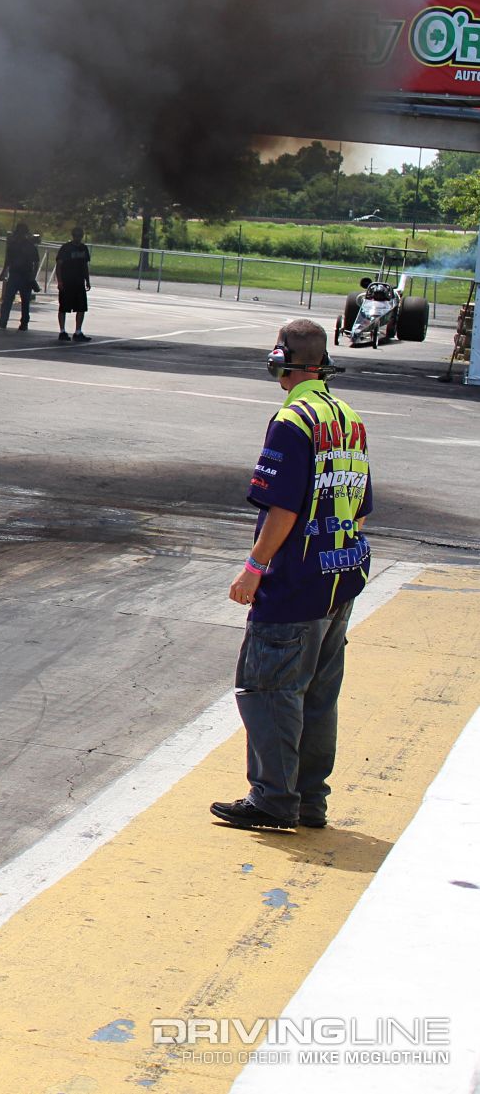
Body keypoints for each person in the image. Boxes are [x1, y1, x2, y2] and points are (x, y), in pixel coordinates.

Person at [211, 319, 372, 832]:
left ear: (283, 360)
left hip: (295, 583)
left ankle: (273, 798)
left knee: (268, 688)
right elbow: (361, 507)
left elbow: (281, 508)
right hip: (339, 576)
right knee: (319, 695)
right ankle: (308, 799)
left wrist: (254, 569)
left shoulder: (292, 421)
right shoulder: (348, 418)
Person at [0, 221, 40, 331]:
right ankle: (22, 323)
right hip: (22, 275)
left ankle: (5, 320)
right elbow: (36, 262)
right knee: (23, 300)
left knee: (10, 299)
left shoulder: (15, 245)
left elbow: (8, 261)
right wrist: (33, 276)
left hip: (18, 275)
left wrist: (4, 272)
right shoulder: (29, 246)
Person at [54, 227, 92, 342]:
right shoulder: (66, 248)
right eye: (76, 235)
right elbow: (59, 265)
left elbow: (85, 265)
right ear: (73, 236)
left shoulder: (83, 248)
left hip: (79, 282)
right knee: (63, 307)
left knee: (81, 307)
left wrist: (87, 280)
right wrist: (60, 281)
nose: (78, 238)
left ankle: (78, 331)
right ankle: (62, 331)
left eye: (80, 235)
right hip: (67, 282)